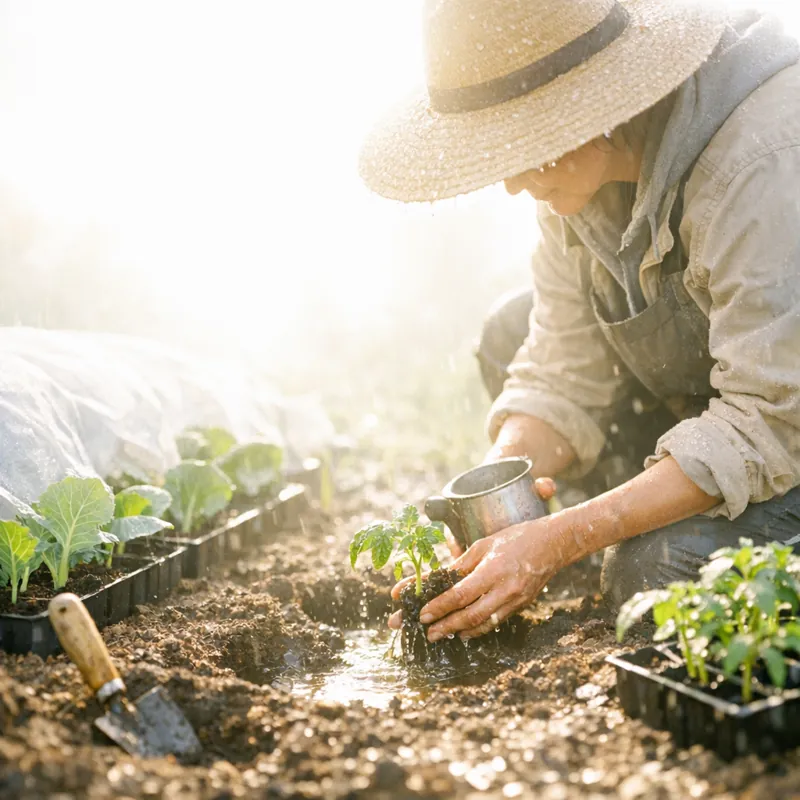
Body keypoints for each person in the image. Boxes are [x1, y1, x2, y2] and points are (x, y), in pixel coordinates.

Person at [359, 0, 800, 642]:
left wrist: (565, 537)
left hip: (788, 420)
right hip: (728, 390)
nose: (511, 184)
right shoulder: (577, 172)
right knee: (509, 332)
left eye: (521, 147)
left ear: (599, 109)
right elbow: (562, 369)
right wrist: (491, 510)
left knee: (654, 575)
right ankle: (658, 498)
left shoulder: (758, 163)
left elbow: (774, 417)